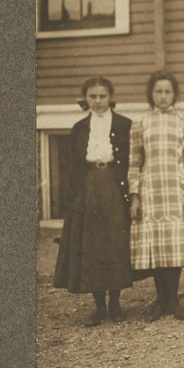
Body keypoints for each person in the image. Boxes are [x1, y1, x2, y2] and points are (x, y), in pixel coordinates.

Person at [53, 77, 134, 326]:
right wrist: (74, 198)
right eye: (92, 97)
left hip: (113, 186)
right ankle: (99, 306)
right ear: (85, 98)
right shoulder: (79, 128)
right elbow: (73, 167)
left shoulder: (124, 124)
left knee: (114, 243)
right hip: (88, 188)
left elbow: (132, 161)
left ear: (110, 97)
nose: (98, 102)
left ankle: (116, 304)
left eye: (102, 96)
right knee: (92, 245)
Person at [128, 71, 184, 321]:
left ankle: (173, 300)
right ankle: (160, 301)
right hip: (151, 189)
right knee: (157, 246)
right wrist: (135, 195)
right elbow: (135, 161)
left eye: (167, 91)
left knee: (174, 246)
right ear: (151, 94)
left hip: (176, 188)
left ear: (174, 94)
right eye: (158, 91)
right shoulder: (140, 123)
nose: (163, 96)